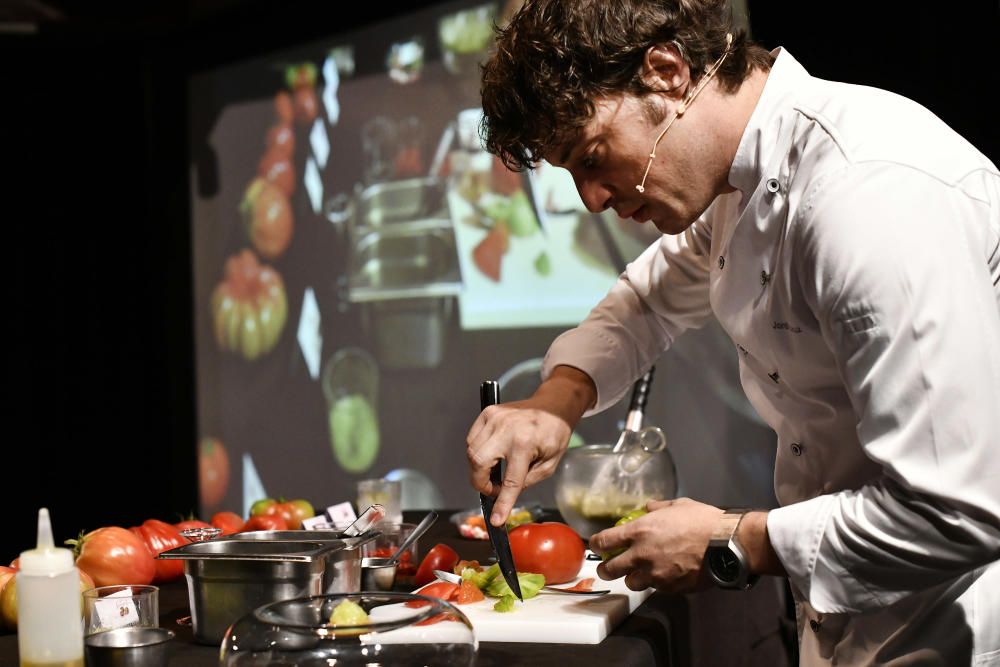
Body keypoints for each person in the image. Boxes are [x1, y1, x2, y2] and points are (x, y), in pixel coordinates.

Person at [464, 0, 1000, 664]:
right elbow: (645, 301)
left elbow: (957, 510)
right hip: (855, 623)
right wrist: (554, 403)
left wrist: (734, 541)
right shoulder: (735, 180)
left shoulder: (865, 196)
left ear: (666, 73)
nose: (591, 200)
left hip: (954, 629)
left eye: (593, 157)